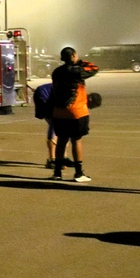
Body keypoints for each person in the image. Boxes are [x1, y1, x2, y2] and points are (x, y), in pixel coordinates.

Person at [50, 46, 98, 182]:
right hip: (76, 111)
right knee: (76, 140)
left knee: (61, 141)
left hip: (59, 111)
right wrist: (80, 62)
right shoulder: (77, 71)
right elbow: (94, 68)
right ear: (73, 56)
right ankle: (78, 173)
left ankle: (57, 172)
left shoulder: (57, 72)